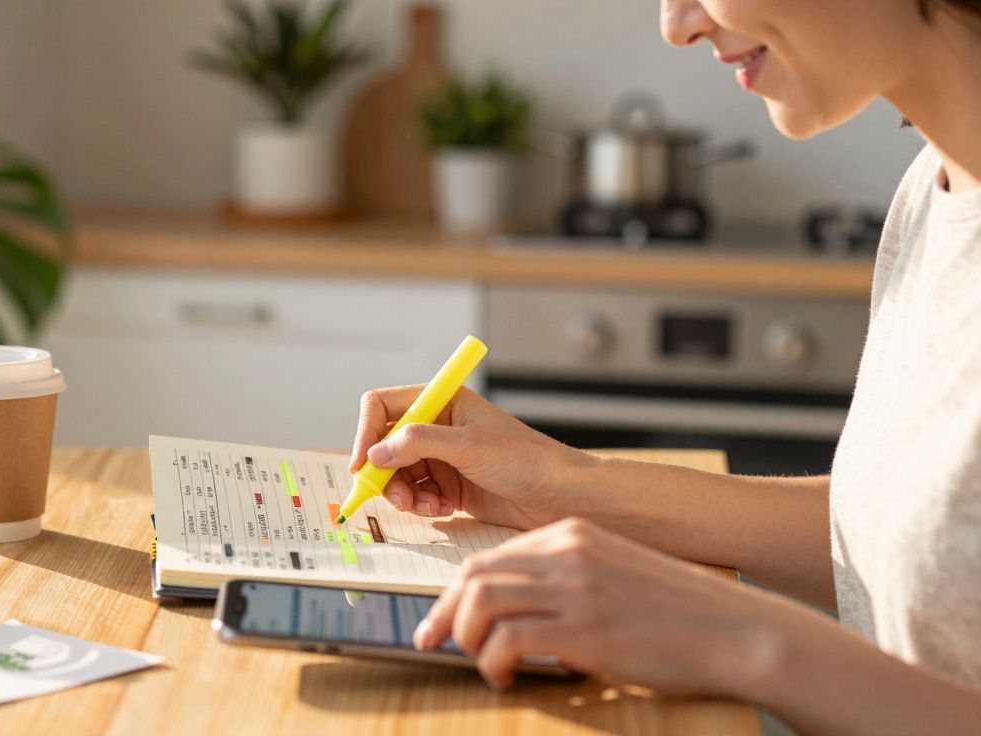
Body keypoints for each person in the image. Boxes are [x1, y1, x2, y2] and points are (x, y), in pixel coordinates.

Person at [348, 1, 981, 732]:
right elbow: (912, 545)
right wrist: (566, 486)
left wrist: (738, 635)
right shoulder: (933, 189)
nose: (677, 23)